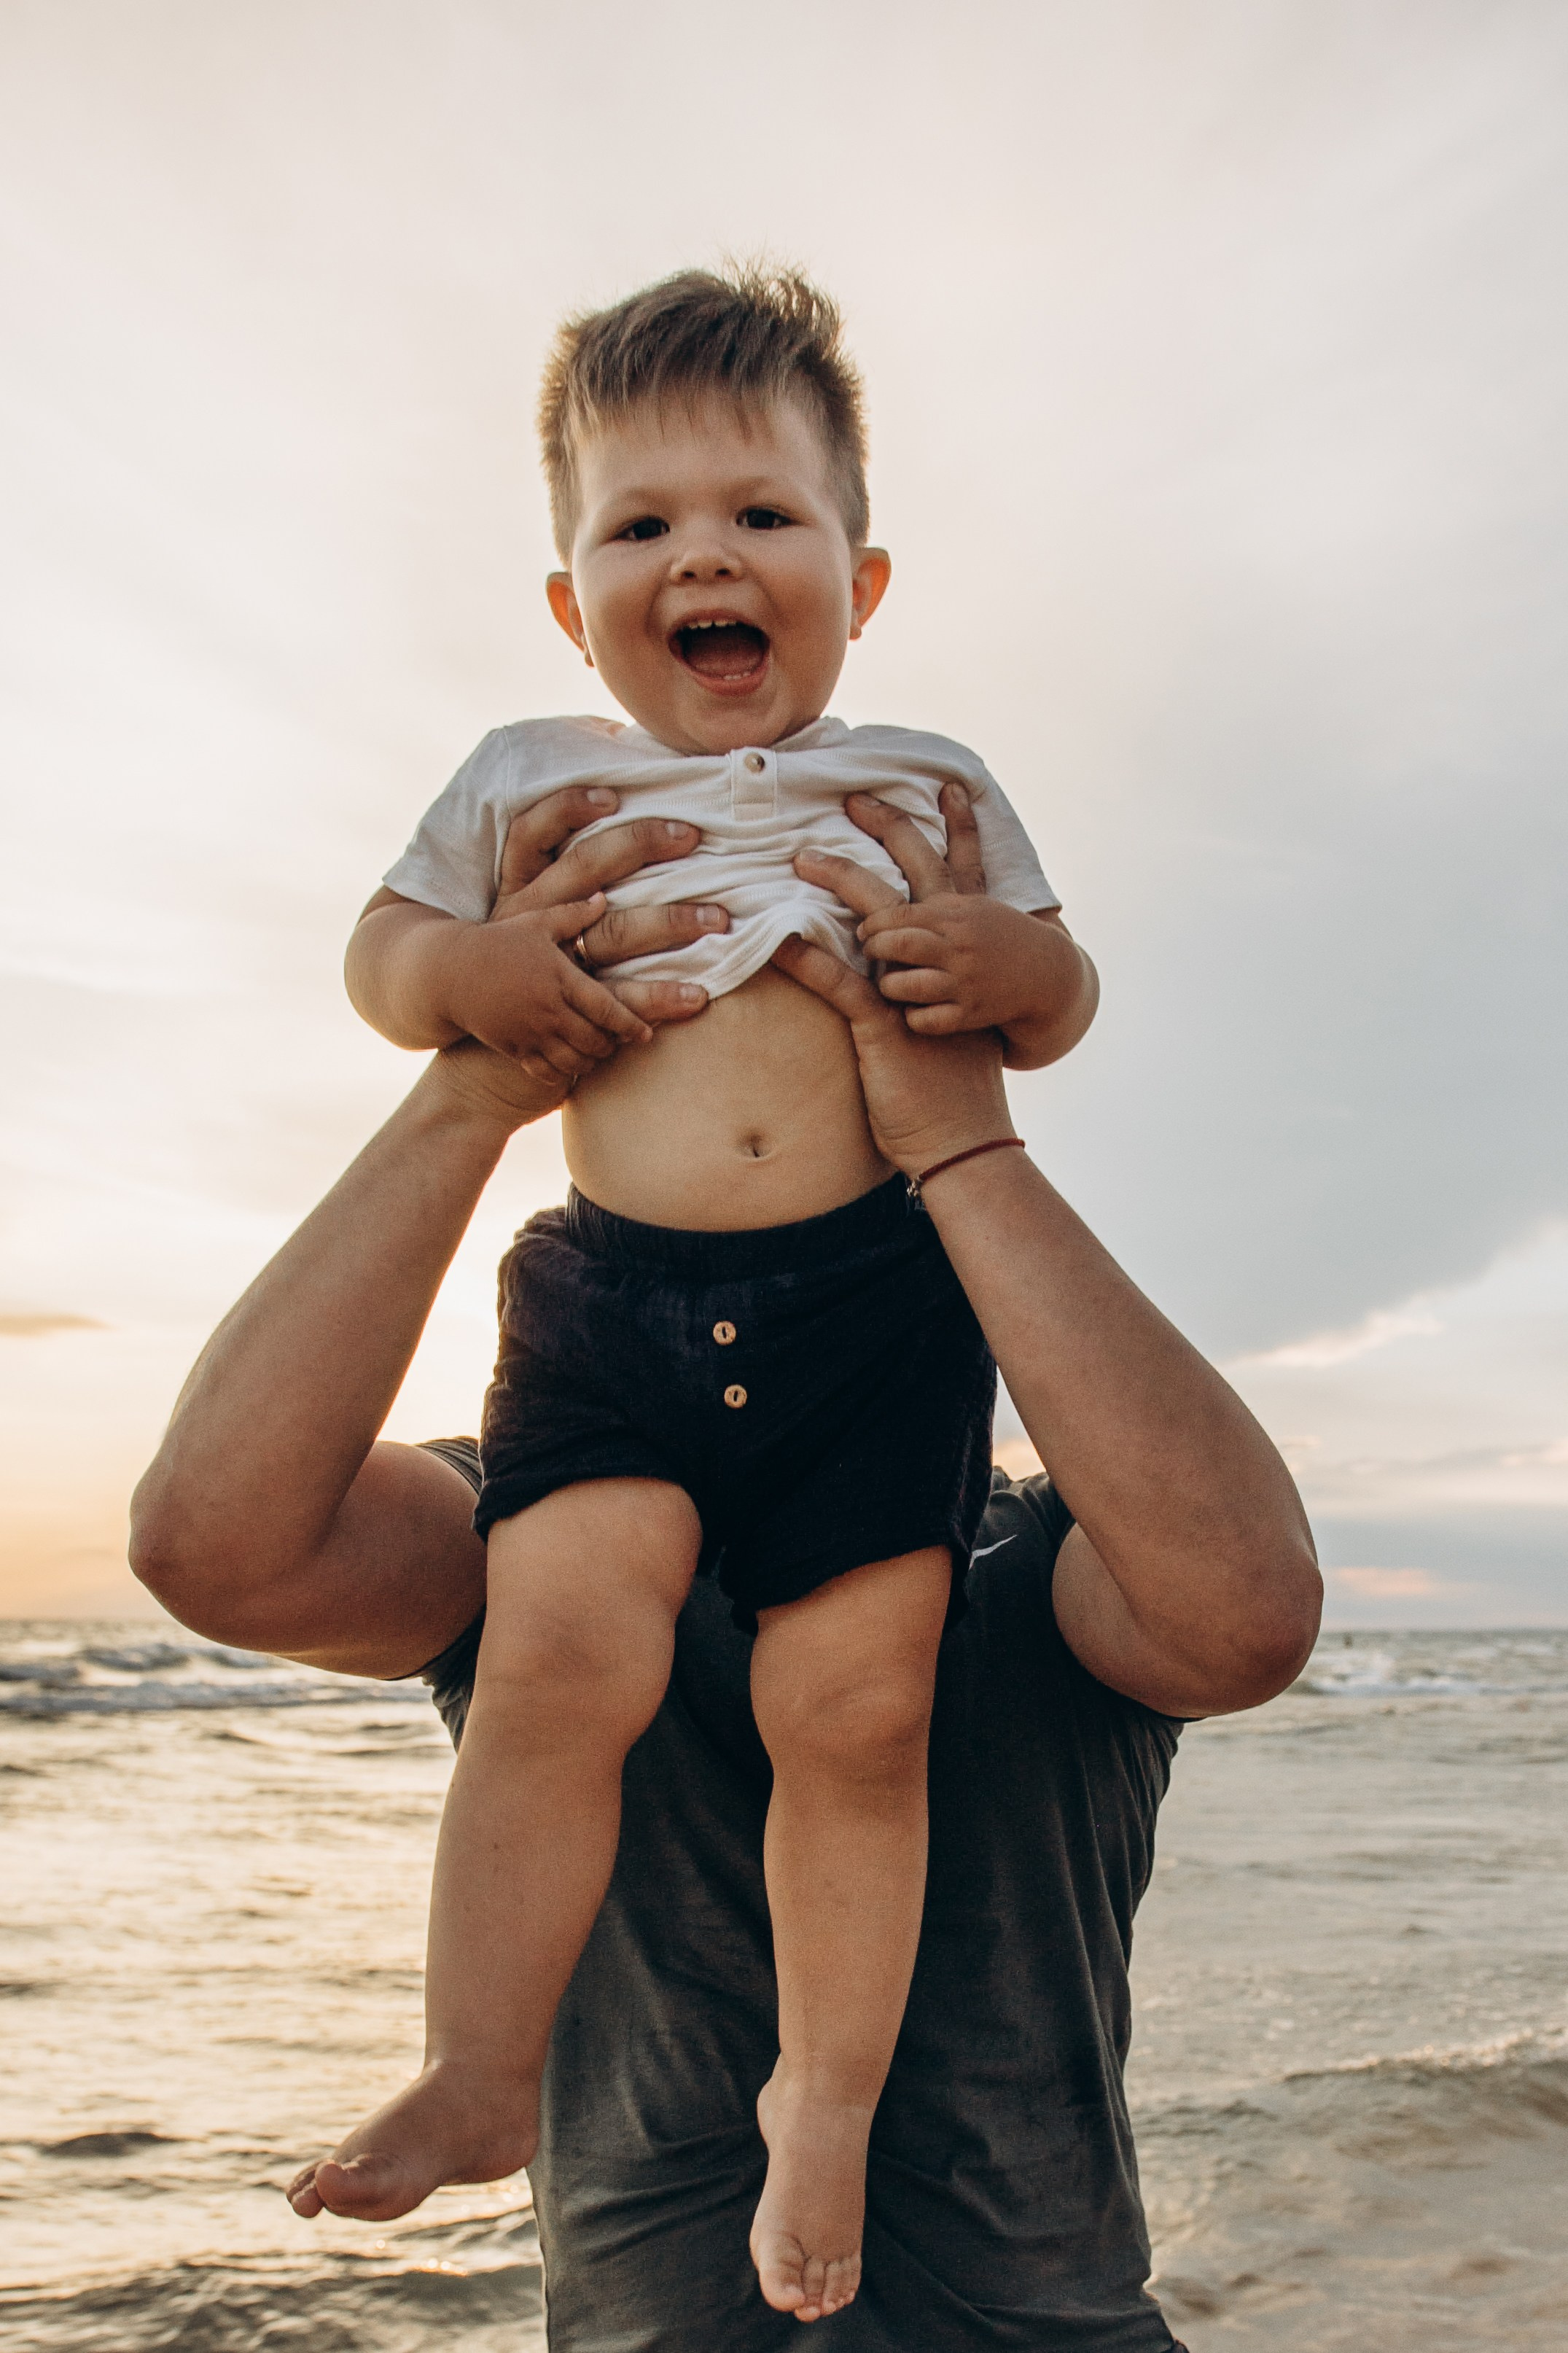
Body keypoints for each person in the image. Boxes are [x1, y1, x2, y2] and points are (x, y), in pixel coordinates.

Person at [131, 793, 1322, 2352]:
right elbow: (211, 1546)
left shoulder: (1030, 1568)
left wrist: (961, 1146)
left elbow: (1246, 1611)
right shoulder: (528, 1547)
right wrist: (468, 1092)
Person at [297, 262, 1100, 2320]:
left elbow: (1058, 979)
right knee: (562, 1662)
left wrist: (1015, 980)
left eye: (760, 516)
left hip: (876, 1307)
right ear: (575, 603)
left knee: (865, 1711)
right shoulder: (521, 776)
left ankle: (819, 2102)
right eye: (641, 527)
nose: (703, 558)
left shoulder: (928, 781)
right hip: (614, 1303)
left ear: (861, 574)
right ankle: (484, 2074)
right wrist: (456, 982)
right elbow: (387, 954)